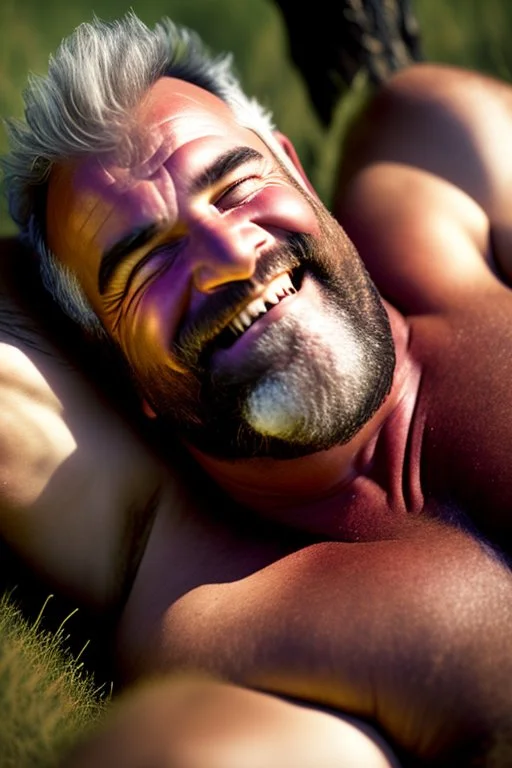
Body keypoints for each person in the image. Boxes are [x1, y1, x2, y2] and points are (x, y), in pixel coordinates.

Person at [1, 11, 512, 766]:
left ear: (294, 171)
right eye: (147, 264)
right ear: (119, 367)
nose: (229, 257)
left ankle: (363, 76)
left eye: (236, 189)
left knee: (411, 102)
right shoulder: (221, 607)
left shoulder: (435, 231)